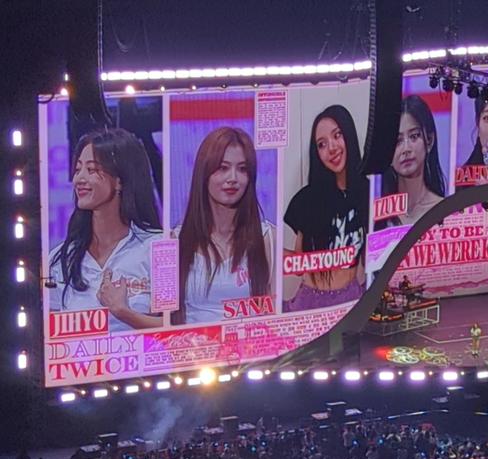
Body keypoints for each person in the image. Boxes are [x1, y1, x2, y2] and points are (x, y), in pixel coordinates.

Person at [49, 127, 164, 332]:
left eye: (92, 170)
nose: (79, 179)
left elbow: (178, 328)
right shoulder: (61, 259)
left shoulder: (159, 248)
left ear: (120, 180)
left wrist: (125, 313)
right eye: (78, 169)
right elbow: (50, 333)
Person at [172, 127, 273, 325]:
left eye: (242, 169)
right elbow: (165, 320)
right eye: (223, 168)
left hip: (250, 343)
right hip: (192, 343)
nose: (233, 178)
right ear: (204, 173)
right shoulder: (175, 241)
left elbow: (273, 316)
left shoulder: (267, 239)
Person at [283, 105, 368, 311]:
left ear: (348, 135)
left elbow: (371, 259)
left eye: (337, 135)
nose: (331, 148)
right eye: (321, 144)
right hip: (310, 302)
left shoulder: (367, 192)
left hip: (352, 298)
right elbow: (298, 264)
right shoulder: (306, 199)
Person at [379, 95, 447, 228]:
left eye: (414, 136)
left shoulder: (444, 210)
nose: (406, 149)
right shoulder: (377, 216)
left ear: (429, 141)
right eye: (397, 141)